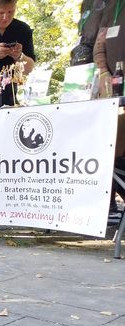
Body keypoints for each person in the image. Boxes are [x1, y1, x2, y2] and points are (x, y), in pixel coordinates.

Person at [93, 0, 125, 217]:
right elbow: (99, 45)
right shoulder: (110, 8)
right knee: (108, 145)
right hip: (114, 88)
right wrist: (104, 71)